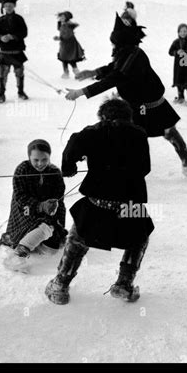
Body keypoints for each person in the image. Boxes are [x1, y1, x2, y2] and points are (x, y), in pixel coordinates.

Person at [45, 98, 153, 305]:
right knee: (139, 238)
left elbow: (73, 145)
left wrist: (69, 167)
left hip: (97, 203)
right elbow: (145, 168)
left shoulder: (92, 132)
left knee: (77, 239)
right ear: (127, 116)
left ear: (103, 116)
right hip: (129, 205)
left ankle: (60, 286)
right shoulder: (138, 134)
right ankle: (124, 283)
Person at [66, 13, 187, 176]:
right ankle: (125, 167)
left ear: (121, 42)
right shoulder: (125, 52)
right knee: (128, 135)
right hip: (133, 104)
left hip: (152, 104)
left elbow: (116, 76)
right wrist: (92, 72)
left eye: (114, 42)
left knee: (169, 132)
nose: (112, 45)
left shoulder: (135, 55)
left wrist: (81, 92)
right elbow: (113, 67)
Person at [1, 139, 67, 273]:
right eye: (36, 160)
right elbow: (20, 197)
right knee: (45, 228)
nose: (40, 163)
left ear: (49, 157)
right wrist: (40, 205)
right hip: (25, 211)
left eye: (44, 159)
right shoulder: (22, 170)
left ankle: (34, 240)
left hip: (49, 213)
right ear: (29, 157)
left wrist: (52, 206)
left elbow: (59, 197)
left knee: (51, 250)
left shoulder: (55, 172)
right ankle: (18, 254)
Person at [0, 0, 28, 103]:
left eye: (10, 5)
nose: (8, 7)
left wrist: (13, 36)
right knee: (3, 75)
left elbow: (24, 33)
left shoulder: (19, 19)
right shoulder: (0, 20)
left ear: (14, 6)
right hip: (4, 53)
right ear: (3, 7)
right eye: (6, 5)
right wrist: (1, 38)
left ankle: (21, 92)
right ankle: (1, 94)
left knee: (19, 74)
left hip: (17, 53)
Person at [168, 23, 187, 105]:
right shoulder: (176, 42)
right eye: (181, 31)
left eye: (185, 31)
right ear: (178, 32)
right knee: (179, 81)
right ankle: (180, 97)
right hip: (179, 67)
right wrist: (176, 52)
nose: (183, 33)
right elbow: (170, 52)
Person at [53, 11, 85, 79]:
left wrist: (59, 38)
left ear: (66, 18)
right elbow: (60, 29)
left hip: (70, 45)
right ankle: (66, 73)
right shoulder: (63, 24)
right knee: (64, 59)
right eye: (60, 17)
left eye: (63, 17)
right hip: (64, 45)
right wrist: (59, 23)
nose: (61, 18)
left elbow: (67, 35)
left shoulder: (68, 26)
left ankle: (77, 74)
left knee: (71, 60)